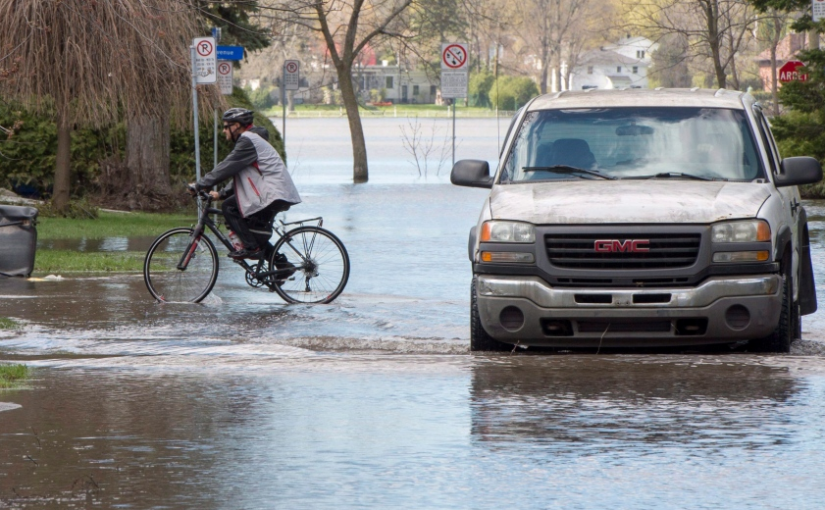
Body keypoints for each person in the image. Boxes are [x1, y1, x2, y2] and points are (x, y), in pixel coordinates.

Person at [190, 108, 301, 259]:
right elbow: (239, 173)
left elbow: (227, 166)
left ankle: (252, 249)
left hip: (272, 192)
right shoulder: (252, 139)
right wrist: (221, 194)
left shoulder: (247, 140)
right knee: (248, 229)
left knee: (229, 208)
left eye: (225, 126)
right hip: (274, 192)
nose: (223, 131)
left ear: (236, 125)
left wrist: (200, 185)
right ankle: (283, 266)